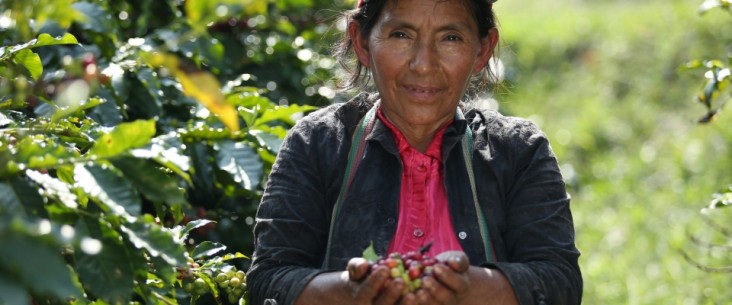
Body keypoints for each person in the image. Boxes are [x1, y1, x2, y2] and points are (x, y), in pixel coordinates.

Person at [246, 0, 582, 304]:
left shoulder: (518, 151)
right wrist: (348, 291)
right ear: (362, 42)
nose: (424, 65)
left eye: (450, 38)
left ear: (482, 50)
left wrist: (475, 287)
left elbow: (559, 283)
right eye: (401, 35)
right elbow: (270, 280)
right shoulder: (317, 144)